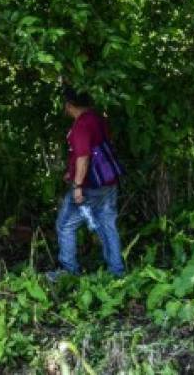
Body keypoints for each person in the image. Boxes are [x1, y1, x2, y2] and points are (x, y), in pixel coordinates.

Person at [48, 88, 125, 280]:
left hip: (90, 185)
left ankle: (68, 272)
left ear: (69, 105)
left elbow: (84, 156)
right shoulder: (97, 118)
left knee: (65, 226)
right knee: (108, 225)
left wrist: (77, 186)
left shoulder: (81, 125)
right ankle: (117, 273)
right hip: (109, 180)